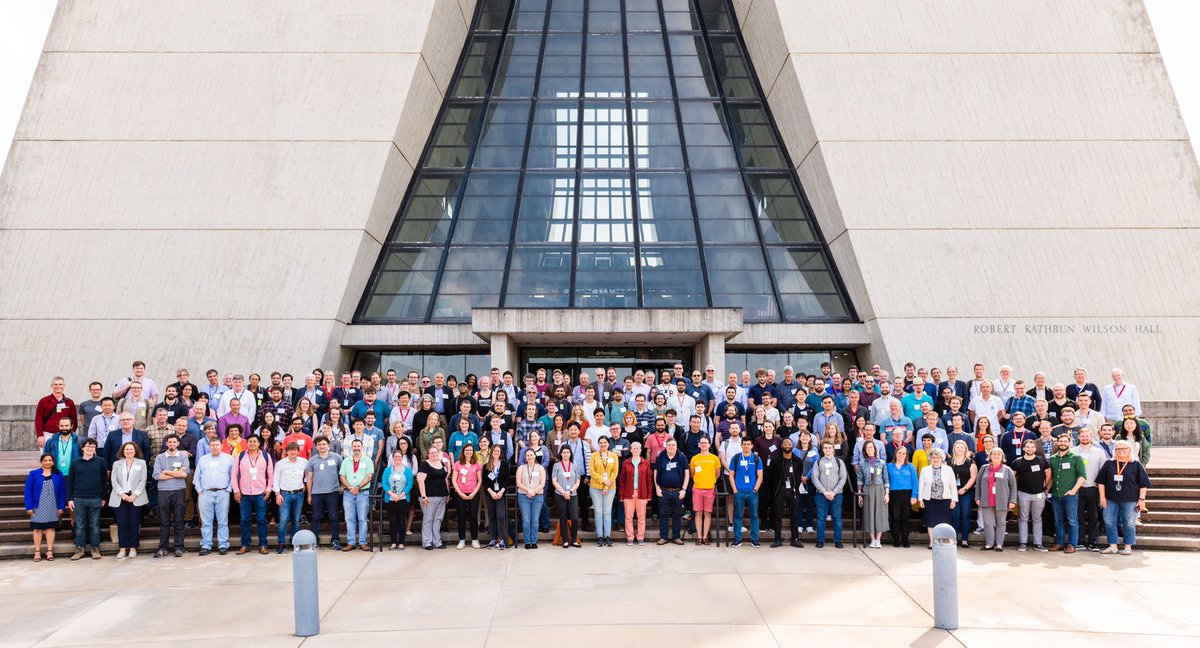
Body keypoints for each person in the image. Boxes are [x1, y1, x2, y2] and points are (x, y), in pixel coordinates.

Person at [1097, 440, 1152, 555]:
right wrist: (1102, 497)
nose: (1121, 451)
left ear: (1129, 450)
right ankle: (1113, 546)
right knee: (1108, 521)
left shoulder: (1136, 464)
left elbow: (1143, 483)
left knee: (1128, 522)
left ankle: (1128, 546)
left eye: (1124, 449)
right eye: (1118, 449)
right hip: (1110, 499)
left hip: (1130, 499)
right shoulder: (1109, 464)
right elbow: (1101, 482)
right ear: (1114, 451)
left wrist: (1142, 500)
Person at [232, 435, 273, 555]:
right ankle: (245, 545)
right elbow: (234, 475)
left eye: (255, 441)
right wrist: (236, 490)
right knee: (245, 520)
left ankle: (263, 545)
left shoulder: (266, 456)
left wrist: (269, 489)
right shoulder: (240, 456)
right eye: (250, 442)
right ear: (247, 443)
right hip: (244, 493)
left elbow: (270, 474)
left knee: (261, 519)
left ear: (259, 443)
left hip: (261, 492)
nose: (252, 443)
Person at [66, 438, 106, 560]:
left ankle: (95, 548)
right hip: (78, 498)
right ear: (82, 448)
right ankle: (79, 549)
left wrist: (103, 497)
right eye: (88, 446)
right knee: (80, 525)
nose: (90, 449)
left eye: (93, 447)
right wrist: (70, 498)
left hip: (95, 498)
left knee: (94, 524)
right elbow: (70, 482)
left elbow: (104, 481)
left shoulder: (101, 462)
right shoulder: (75, 463)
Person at [194, 436, 234, 555]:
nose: (215, 447)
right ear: (209, 447)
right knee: (206, 521)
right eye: (213, 445)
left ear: (222, 446)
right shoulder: (203, 459)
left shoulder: (229, 459)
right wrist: (200, 490)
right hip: (205, 493)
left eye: (217, 445)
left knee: (223, 521)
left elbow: (233, 476)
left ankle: (223, 544)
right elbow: (197, 477)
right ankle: (206, 545)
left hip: (223, 492)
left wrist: (229, 489)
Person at [152, 434, 190, 558]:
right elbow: (157, 476)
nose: (172, 444)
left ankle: (179, 547)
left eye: (174, 442)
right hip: (163, 491)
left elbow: (184, 475)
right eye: (170, 442)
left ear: (178, 443)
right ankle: (163, 547)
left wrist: (167, 472)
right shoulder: (160, 457)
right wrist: (176, 473)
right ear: (166, 444)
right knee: (164, 521)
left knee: (179, 520)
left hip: (179, 491)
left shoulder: (183, 456)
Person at [109, 441, 148, 559]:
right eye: (127, 449)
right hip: (120, 497)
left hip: (136, 497)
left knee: (134, 524)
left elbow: (143, 480)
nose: (129, 451)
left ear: (135, 451)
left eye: (131, 449)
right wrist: (122, 494)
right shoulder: (117, 464)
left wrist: (134, 495)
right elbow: (113, 480)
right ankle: (122, 549)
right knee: (122, 524)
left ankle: (132, 548)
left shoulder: (141, 463)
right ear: (123, 451)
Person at [1011, 438, 1051, 552]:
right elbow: (1012, 478)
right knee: (1023, 518)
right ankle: (1023, 543)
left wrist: (1044, 485)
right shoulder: (1017, 461)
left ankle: (1038, 543)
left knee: (1037, 518)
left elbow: (1048, 474)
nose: (1030, 449)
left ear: (1035, 448)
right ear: (1024, 448)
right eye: (1027, 447)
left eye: (1032, 447)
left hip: (1039, 494)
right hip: (1023, 494)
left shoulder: (1041, 461)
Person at [1071, 428, 1108, 551]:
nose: (1085, 438)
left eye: (1087, 436)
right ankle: (1080, 542)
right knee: (1079, 517)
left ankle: (1093, 542)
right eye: (1082, 436)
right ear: (1078, 438)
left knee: (1094, 517)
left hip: (1093, 489)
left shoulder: (1099, 452)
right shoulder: (1073, 452)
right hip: (1077, 489)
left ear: (1091, 437)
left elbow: (1103, 471)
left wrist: (1101, 485)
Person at [25, 454, 66, 562]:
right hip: (38, 506)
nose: (47, 462)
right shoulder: (33, 474)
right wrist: (29, 507)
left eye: (50, 460)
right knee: (37, 529)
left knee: (50, 529)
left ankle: (49, 551)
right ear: (41, 461)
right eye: (45, 460)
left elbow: (62, 492)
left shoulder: (58, 474)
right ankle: (37, 552)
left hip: (53, 506)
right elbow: (28, 492)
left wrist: (61, 506)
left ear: (53, 462)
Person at [975, 448, 1018, 551]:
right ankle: (989, 544)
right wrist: (977, 497)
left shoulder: (1007, 469)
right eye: (994, 454)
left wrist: (1012, 500)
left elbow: (1013, 486)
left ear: (1002, 457)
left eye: (999, 454)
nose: (996, 456)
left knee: (1001, 523)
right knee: (988, 523)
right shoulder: (984, 468)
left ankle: (999, 544)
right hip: (987, 500)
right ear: (990, 456)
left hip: (1002, 501)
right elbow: (978, 484)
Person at [305, 435, 344, 550]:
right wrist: (309, 494)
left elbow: (342, 474)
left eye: (324, 444)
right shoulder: (312, 460)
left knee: (333, 516)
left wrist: (342, 486)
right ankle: (314, 540)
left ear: (328, 445)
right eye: (319, 445)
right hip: (317, 493)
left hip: (332, 492)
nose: (322, 446)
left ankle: (335, 540)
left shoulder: (337, 458)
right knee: (316, 517)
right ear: (316, 447)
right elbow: (310, 478)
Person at [273, 441, 309, 553]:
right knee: (283, 520)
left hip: (298, 494)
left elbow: (308, 475)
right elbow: (276, 479)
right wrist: (277, 494)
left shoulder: (304, 462)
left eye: (295, 450)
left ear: (298, 451)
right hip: (285, 494)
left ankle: (295, 543)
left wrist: (304, 483)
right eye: (290, 450)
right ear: (287, 451)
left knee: (296, 520)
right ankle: (281, 543)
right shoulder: (280, 464)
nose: (293, 452)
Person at [918, 448, 958, 549]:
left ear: (942, 458)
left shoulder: (948, 469)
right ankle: (932, 542)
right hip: (930, 500)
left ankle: (942, 541)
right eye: (933, 457)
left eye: (938, 457)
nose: (936, 459)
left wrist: (954, 500)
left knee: (944, 522)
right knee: (930, 522)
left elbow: (953, 485)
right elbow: (921, 485)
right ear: (930, 458)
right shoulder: (925, 470)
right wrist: (920, 499)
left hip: (945, 500)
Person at [654, 437, 690, 545]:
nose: (671, 447)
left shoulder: (682, 457)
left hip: (677, 491)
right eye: (669, 445)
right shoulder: (660, 457)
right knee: (663, 515)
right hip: (663, 491)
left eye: (673, 445)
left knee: (676, 515)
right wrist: (657, 488)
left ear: (676, 446)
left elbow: (687, 474)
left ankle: (676, 537)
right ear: (666, 446)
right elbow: (655, 473)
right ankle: (664, 537)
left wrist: (684, 489)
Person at [340, 439, 374, 551]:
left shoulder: (368, 461)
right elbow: (342, 477)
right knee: (349, 518)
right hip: (348, 493)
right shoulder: (345, 461)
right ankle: (351, 542)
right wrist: (350, 487)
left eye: (358, 446)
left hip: (363, 493)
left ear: (362, 447)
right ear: (351, 447)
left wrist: (358, 487)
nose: (356, 448)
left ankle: (363, 542)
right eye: (354, 446)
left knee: (363, 518)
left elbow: (369, 476)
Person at [811, 441, 847, 548]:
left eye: (829, 447)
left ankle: (838, 540)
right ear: (822, 450)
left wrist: (834, 492)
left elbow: (843, 478)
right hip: (821, 495)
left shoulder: (839, 462)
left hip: (837, 494)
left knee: (837, 517)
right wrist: (824, 491)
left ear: (833, 449)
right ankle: (820, 540)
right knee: (821, 517)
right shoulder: (818, 462)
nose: (827, 449)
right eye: (825, 448)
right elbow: (814, 478)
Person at [856, 439, 890, 548]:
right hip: (867, 489)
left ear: (875, 449)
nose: (870, 449)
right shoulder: (862, 463)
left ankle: (878, 540)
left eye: (871, 447)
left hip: (880, 489)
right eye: (867, 448)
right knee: (868, 513)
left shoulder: (882, 463)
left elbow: (886, 479)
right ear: (865, 450)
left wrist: (887, 493)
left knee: (880, 514)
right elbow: (860, 479)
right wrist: (860, 494)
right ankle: (872, 539)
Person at [417, 443, 450, 550]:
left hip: (442, 495)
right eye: (431, 453)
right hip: (429, 497)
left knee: (438, 519)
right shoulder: (425, 464)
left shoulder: (441, 463)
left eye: (435, 452)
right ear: (428, 454)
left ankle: (437, 541)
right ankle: (427, 542)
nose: (434, 454)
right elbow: (420, 480)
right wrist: (423, 496)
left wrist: (447, 493)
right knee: (428, 519)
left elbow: (445, 479)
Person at [690, 435, 722, 545]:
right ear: (699, 445)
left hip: (710, 489)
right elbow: (692, 474)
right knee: (698, 513)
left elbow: (717, 474)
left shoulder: (715, 458)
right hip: (697, 489)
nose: (703, 445)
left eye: (705, 443)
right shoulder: (694, 458)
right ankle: (699, 537)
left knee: (707, 514)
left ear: (709, 444)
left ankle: (705, 537)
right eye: (702, 443)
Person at [619, 440, 652, 546]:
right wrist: (621, 495)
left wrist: (649, 495)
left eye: (638, 448)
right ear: (631, 450)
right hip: (628, 493)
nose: (636, 450)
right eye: (634, 448)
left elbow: (649, 480)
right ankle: (630, 537)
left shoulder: (645, 463)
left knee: (641, 517)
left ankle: (641, 537)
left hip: (642, 493)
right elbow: (622, 481)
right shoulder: (626, 463)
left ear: (641, 450)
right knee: (628, 517)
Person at [589, 436, 619, 547]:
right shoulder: (594, 456)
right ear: (598, 444)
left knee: (607, 512)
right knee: (598, 512)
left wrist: (607, 485)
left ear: (608, 444)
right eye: (600, 443)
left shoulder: (614, 456)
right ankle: (600, 536)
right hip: (595, 487)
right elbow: (592, 471)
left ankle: (607, 536)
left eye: (605, 442)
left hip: (610, 488)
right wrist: (603, 482)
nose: (603, 444)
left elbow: (615, 472)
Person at [451, 445, 483, 549]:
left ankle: (474, 539)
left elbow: (480, 480)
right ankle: (462, 540)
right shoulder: (457, 464)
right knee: (462, 516)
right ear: (463, 452)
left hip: (473, 493)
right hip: (460, 493)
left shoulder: (477, 465)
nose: (468, 452)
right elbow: (454, 479)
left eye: (470, 450)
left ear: (473, 452)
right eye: (466, 450)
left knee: (473, 516)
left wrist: (474, 493)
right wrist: (460, 493)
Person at [947, 440, 978, 547]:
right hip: (952, 494)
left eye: (961, 447)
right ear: (954, 449)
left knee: (965, 515)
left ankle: (964, 540)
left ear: (965, 449)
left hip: (966, 493)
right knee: (955, 516)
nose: (959, 449)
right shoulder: (949, 462)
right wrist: (952, 490)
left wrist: (964, 489)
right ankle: (954, 538)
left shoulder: (970, 462)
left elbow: (973, 477)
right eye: (957, 447)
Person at [381, 449, 414, 550]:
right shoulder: (388, 470)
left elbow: (410, 484)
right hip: (391, 499)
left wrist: (400, 495)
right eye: (395, 457)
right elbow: (384, 484)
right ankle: (393, 542)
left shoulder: (407, 470)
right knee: (392, 521)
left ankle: (401, 542)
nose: (397, 459)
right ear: (392, 458)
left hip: (403, 498)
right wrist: (393, 495)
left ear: (402, 457)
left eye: (399, 457)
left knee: (401, 520)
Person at [886, 446, 918, 547]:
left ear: (906, 455)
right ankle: (896, 539)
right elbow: (886, 481)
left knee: (905, 517)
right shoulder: (889, 466)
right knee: (895, 517)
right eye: (899, 453)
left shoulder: (910, 466)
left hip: (907, 494)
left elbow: (915, 482)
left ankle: (905, 539)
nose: (901, 455)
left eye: (904, 453)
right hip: (894, 494)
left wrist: (914, 496)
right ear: (895, 454)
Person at [552, 444, 583, 548]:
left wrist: (569, 491)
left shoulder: (574, 465)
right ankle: (565, 540)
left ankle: (574, 539)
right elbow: (554, 480)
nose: (566, 454)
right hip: (560, 494)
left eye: (568, 452)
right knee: (563, 517)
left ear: (570, 454)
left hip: (572, 494)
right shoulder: (557, 465)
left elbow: (578, 481)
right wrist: (563, 492)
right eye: (564, 452)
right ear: (561, 454)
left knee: (574, 518)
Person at [516, 448, 547, 549]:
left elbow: (542, 483)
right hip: (523, 496)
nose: (530, 457)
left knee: (535, 520)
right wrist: (528, 490)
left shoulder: (540, 468)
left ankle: (534, 541)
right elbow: (518, 483)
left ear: (535, 456)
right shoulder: (521, 468)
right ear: (525, 457)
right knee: (526, 520)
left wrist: (534, 491)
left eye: (531, 455)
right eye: (527, 455)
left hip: (537, 497)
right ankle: (527, 541)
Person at [36, 377, 77, 448]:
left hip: (65, 434)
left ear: (64, 385)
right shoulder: (44, 401)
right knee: (47, 457)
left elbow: (74, 420)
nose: (58, 386)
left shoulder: (69, 402)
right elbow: (38, 419)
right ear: (51, 386)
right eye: (55, 384)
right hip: (48, 434)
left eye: (60, 384)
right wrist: (40, 435)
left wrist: (72, 433)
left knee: (64, 457)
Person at [483, 444, 508, 550]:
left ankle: (501, 539)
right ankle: (493, 539)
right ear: (491, 452)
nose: (496, 452)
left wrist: (501, 491)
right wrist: (492, 492)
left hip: (501, 494)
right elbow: (485, 482)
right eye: (495, 451)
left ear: (500, 453)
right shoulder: (486, 466)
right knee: (492, 516)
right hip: (490, 494)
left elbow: (507, 480)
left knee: (501, 516)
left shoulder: (504, 464)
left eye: (498, 451)